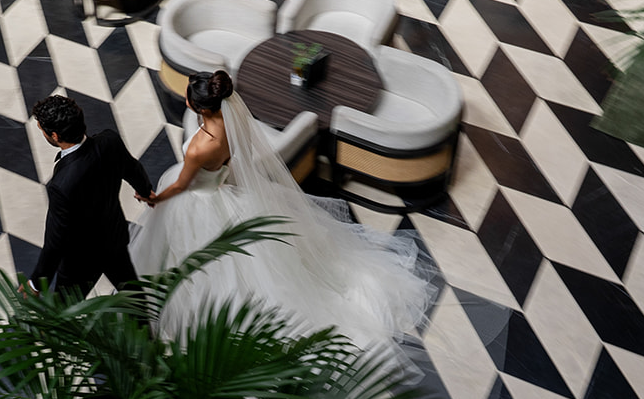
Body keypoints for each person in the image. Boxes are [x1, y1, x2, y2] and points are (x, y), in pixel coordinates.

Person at [130, 70, 435, 372]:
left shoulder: (199, 148)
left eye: (189, 95)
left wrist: (156, 198)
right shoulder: (231, 124)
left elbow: (182, 185)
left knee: (202, 264)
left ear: (199, 107)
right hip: (224, 190)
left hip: (201, 201)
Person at [26, 94, 155, 298]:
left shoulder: (60, 186)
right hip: (114, 238)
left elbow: (55, 240)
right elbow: (132, 168)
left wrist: (36, 283)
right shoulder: (109, 141)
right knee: (134, 296)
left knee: (64, 310)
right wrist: (145, 191)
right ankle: (144, 319)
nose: (42, 133)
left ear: (55, 136)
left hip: (81, 261)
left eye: (42, 129)